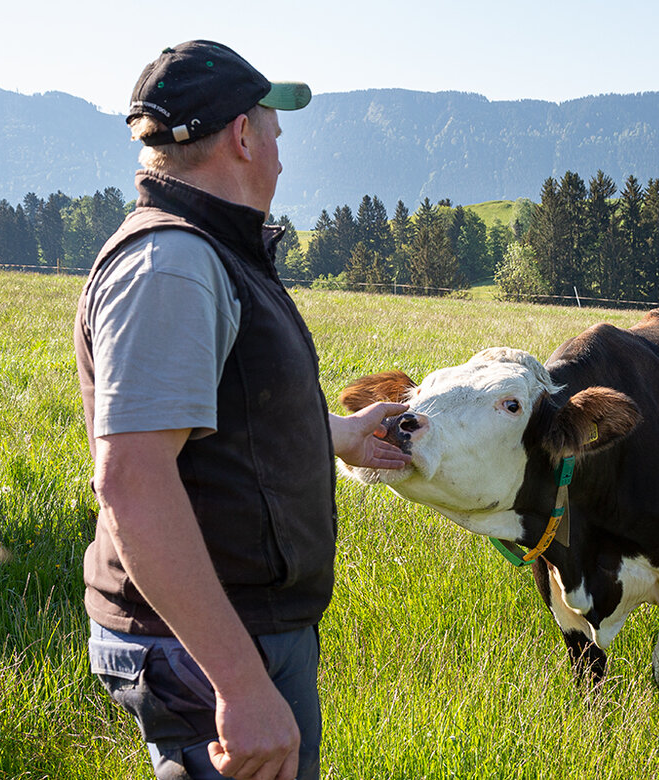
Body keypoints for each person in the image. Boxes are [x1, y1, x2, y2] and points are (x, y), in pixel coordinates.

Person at [74, 40, 410, 780]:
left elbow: (220, 414)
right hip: (208, 643)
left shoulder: (209, 254)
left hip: (231, 629)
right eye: (275, 130)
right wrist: (240, 686)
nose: (283, 154)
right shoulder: (173, 266)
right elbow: (132, 478)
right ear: (243, 136)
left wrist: (341, 435)